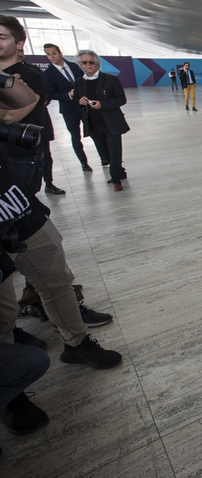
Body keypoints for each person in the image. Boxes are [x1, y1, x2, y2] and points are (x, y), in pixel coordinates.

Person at [0, 76, 122, 371]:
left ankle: (77, 344)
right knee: (4, 312)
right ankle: (10, 388)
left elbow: (26, 98)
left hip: (19, 206)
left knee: (57, 281)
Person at [0, 16, 66, 196]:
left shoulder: (30, 75)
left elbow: (11, 116)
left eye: (2, 37)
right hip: (4, 156)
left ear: (19, 44)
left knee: (22, 211)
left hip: (21, 157)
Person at [73, 50, 130, 192]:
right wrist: (79, 101)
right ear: (81, 65)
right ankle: (119, 172)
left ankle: (116, 179)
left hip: (111, 123)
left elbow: (121, 99)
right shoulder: (79, 82)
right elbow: (76, 100)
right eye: (84, 62)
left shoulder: (111, 80)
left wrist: (102, 105)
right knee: (104, 153)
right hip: (92, 124)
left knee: (115, 152)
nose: (88, 65)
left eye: (91, 62)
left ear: (97, 64)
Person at [43, 43, 98, 172]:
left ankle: (104, 158)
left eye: (54, 53)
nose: (52, 56)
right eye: (48, 54)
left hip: (84, 105)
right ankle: (84, 163)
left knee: (95, 132)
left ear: (60, 53)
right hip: (68, 109)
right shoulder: (48, 73)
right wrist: (68, 94)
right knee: (75, 137)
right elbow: (51, 94)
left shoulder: (75, 67)